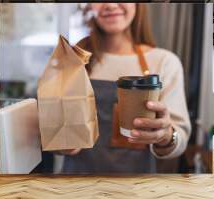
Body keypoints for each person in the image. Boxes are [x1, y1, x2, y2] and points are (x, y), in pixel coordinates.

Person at [57, 3, 191, 173]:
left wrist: (166, 136)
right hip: (76, 183)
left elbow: (181, 140)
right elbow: (49, 129)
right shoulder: (72, 59)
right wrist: (58, 141)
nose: (111, 5)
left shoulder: (164, 61)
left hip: (136, 190)